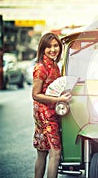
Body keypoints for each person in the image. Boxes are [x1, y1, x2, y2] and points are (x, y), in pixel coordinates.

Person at [32, 33, 71, 178]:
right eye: (49, 46)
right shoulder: (41, 67)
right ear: (42, 48)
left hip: (49, 110)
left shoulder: (54, 66)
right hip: (45, 113)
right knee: (55, 152)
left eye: (56, 46)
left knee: (42, 151)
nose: (53, 49)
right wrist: (58, 99)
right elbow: (35, 94)